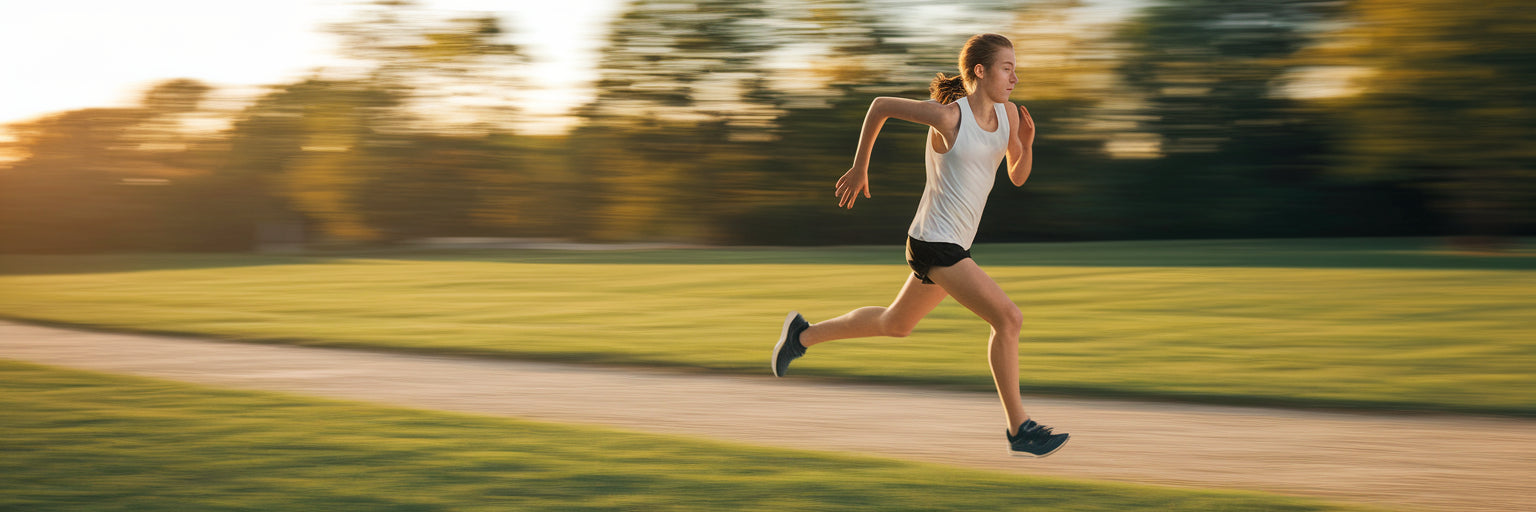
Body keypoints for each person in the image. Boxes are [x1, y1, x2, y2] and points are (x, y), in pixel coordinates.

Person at [770, 33, 1069, 458]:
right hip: (935, 242)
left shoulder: (1009, 118)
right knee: (1008, 319)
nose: (1015, 78)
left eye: (1015, 69)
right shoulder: (949, 117)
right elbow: (880, 106)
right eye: (1007, 68)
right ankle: (1019, 428)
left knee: (897, 323)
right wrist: (859, 168)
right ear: (980, 72)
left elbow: (1017, 176)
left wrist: (1026, 144)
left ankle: (802, 336)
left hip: (952, 245)